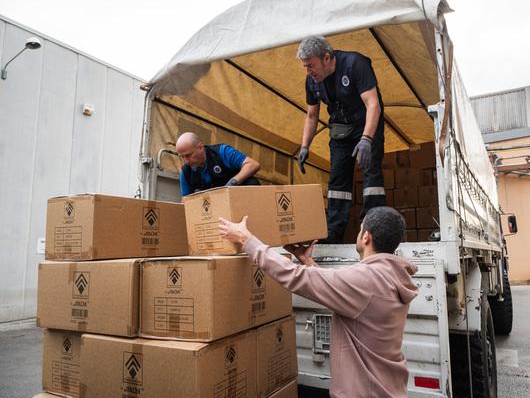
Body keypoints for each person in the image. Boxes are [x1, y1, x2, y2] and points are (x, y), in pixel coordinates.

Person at [218, 206, 418, 398]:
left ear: (366, 236)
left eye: (360, 230)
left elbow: (295, 276)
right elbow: (347, 291)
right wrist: (309, 263)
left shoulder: (367, 280)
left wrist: (247, 240)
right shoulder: (390, 275)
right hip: (385, 389)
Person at [296, 36, 386, 243]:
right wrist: (304, 146)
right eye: (305, 67)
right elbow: (312, 115)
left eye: (311, 66)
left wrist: (366, 139)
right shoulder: (312, 81)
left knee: (370, 172)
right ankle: (334, 232)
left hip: (366, 122)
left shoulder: (355, 64)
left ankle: (372, 228)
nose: (308, 71)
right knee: (337, 179)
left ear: (327, 58)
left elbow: (373, 105)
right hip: (340, 128)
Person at [175, 132, 261, 196]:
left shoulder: (222, 152)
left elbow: (253, 164)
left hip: (238, 196)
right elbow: (186, 201)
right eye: (182, 157)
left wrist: (232, 183)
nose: (186, 161)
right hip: (216, 206)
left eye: (188, 155)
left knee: (252, 183)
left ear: (200, 147)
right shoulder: (185, 172)